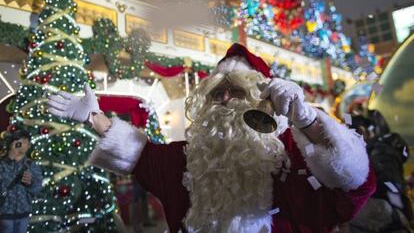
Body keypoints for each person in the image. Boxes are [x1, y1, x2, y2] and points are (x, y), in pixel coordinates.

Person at [47, 43, 376, 232]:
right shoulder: (189, 157)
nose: (226, 99)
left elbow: (354, 184)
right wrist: (94, 116)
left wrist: (307, 119)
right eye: (218, 92)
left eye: (237, 91)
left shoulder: (287, 154)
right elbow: (141, 156)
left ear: (260, 98)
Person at [0, 130, 42, 233]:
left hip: (24, 212)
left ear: (28, 146)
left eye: (24, 141)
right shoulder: (2, 164)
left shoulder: (32, 165)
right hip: (5, 212)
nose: (21, 144)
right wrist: (10, 157)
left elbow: (38, 189)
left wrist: (30, 182)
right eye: (18, 141)